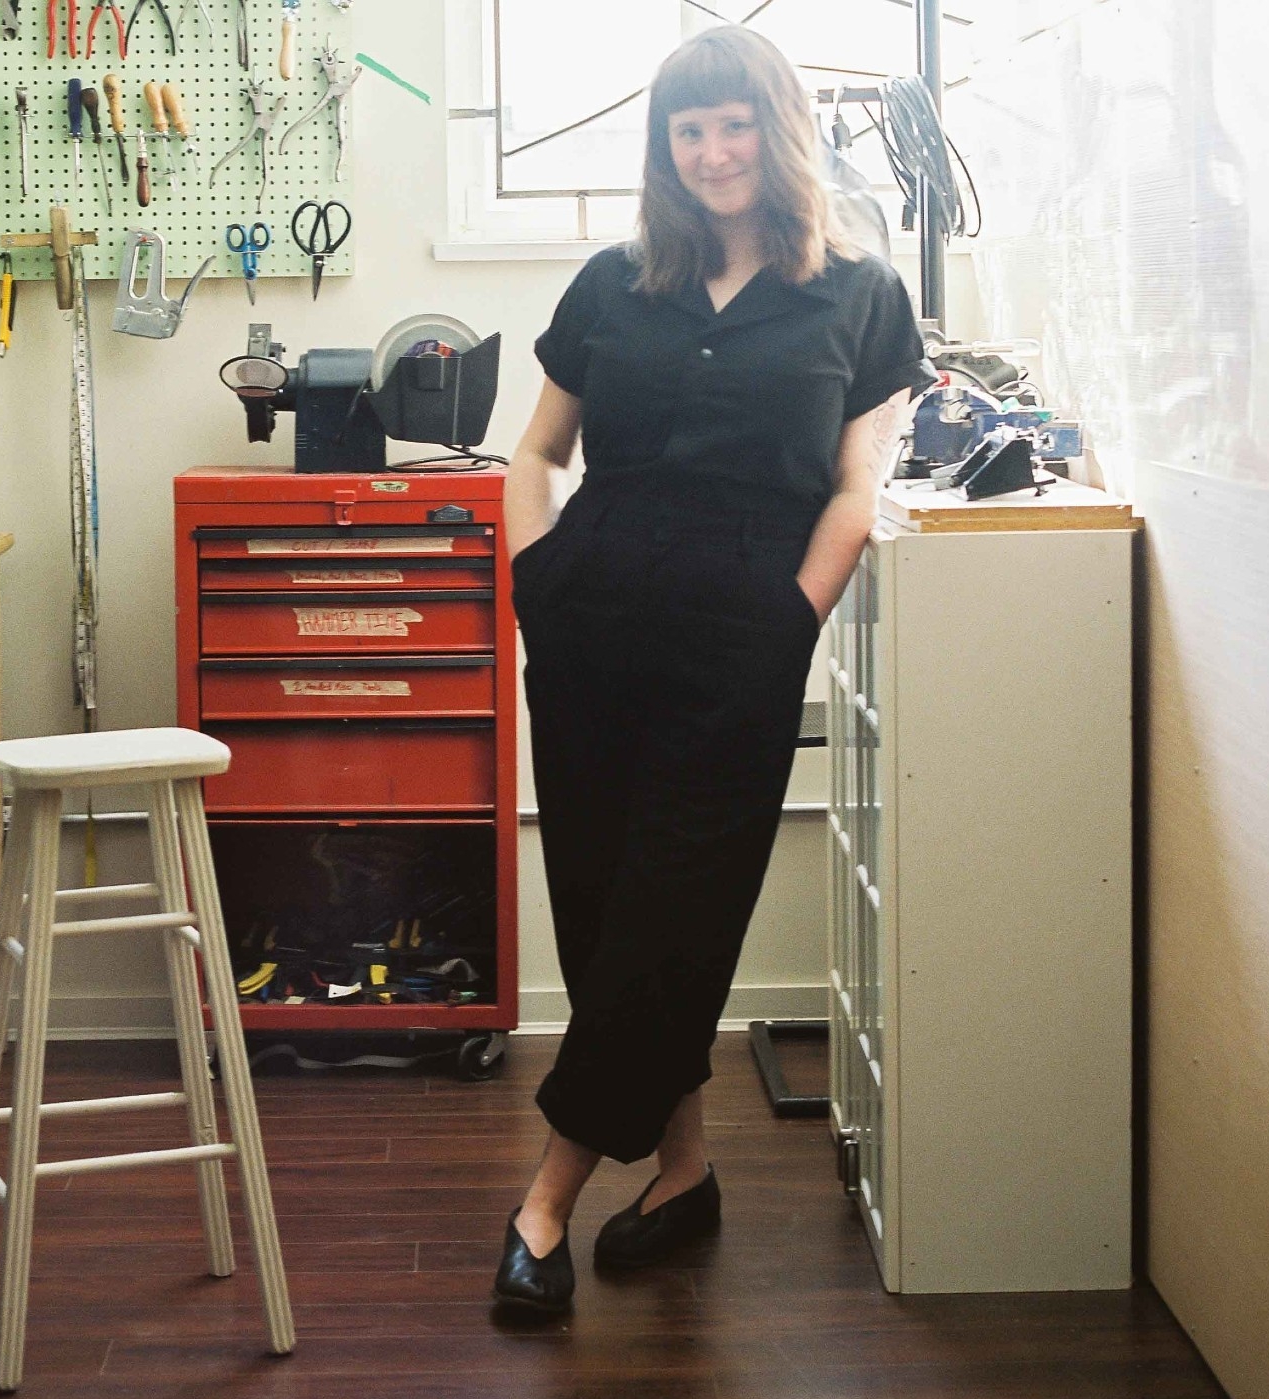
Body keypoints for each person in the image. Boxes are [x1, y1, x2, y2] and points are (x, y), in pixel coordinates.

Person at [494, 24, 934, 1314]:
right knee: (604, 905)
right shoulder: (612, 283)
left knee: (673, 908)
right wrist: (538, 584)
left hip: (739, 642)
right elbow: (535, 453)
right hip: (591, 631)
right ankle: (684, 1176)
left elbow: (857, 490)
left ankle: (547, 1198)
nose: (712, 151)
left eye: (734, 123)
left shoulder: (858, 294)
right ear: (665, 150)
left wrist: (787, 617)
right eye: (688, 131)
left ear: (779, 131)